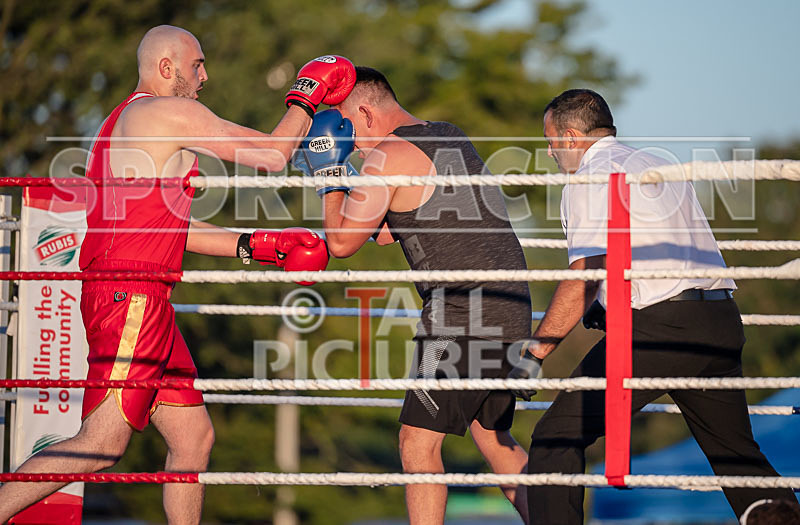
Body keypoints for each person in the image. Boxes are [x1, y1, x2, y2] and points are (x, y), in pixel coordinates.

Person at [0, 25, 353, 524]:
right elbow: (273, 155)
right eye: (197, 64)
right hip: (132, 295)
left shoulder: (119, 123)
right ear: (168, 68)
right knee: (101, 443)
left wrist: (254, 245)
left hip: (138, 294)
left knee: (193, 439)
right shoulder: (168, 111)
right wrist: (305, 96)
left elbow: (170, 227)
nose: (205, 76)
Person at [507, 88, 799, 524]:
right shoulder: (655, 163)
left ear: (570, 137)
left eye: (550, 141)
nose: (550, 153)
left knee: (555, 437)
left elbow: (586, 273)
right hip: (717, 318)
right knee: (736, 456)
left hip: (657, 328)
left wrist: (535, 353)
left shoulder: (592, 176)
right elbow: (657, 253)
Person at [297, 67, 533, 525]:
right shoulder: (448, 136)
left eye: (348, 130)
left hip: (463, 310)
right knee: (495, 440)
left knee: (416, 442)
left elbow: (344, 243)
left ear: (363, 113)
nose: (354, 148)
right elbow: (384, 231)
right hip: (509, 303)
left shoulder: (387, 155)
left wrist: (329, 176)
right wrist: (348, 175)